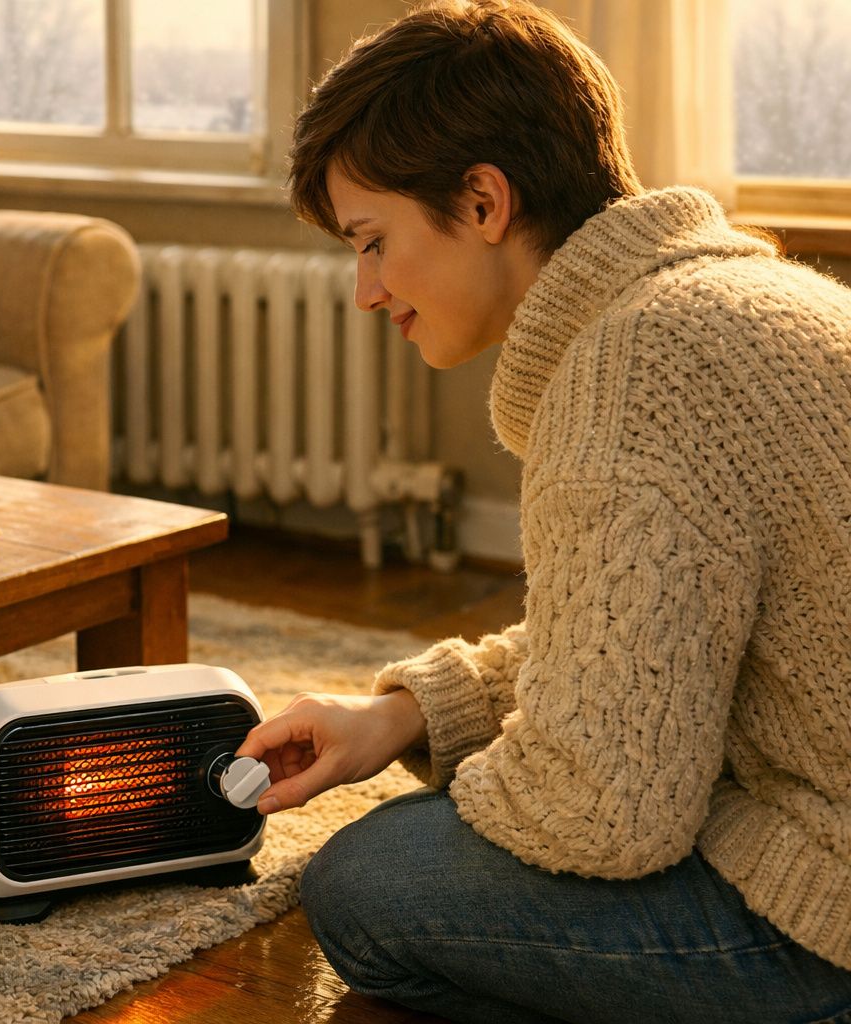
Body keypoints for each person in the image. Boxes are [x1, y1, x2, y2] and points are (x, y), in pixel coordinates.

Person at [235, 1, 851, 1021]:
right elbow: (636, 631)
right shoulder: (751, 300)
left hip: (828, 918)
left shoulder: (632, 371)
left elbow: (604, 807)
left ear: (481, 201)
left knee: (369, 879)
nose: (366, 290)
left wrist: (490, 775)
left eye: (373, 242)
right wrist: (398, 717)